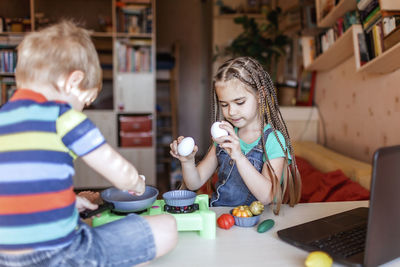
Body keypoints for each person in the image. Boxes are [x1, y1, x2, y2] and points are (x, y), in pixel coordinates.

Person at [0, 21, 177, 267]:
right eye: (85, 101)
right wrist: (135, 182)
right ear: (73, 82)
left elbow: (19, 188)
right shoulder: (63, 116)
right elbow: (118, 171)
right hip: (61, 255)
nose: (83, 109)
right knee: (166, 227)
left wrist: (69, 203)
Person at [170, 57, 301, 214]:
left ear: (261, 95)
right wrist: (187, 161)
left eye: (239, 102)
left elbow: (267, 195)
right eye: (224, 104)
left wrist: (239, 157)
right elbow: (195, 182)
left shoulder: (273, 139)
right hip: (221, 217)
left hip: (254, 222)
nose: (231, 111)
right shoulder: (225, 137)